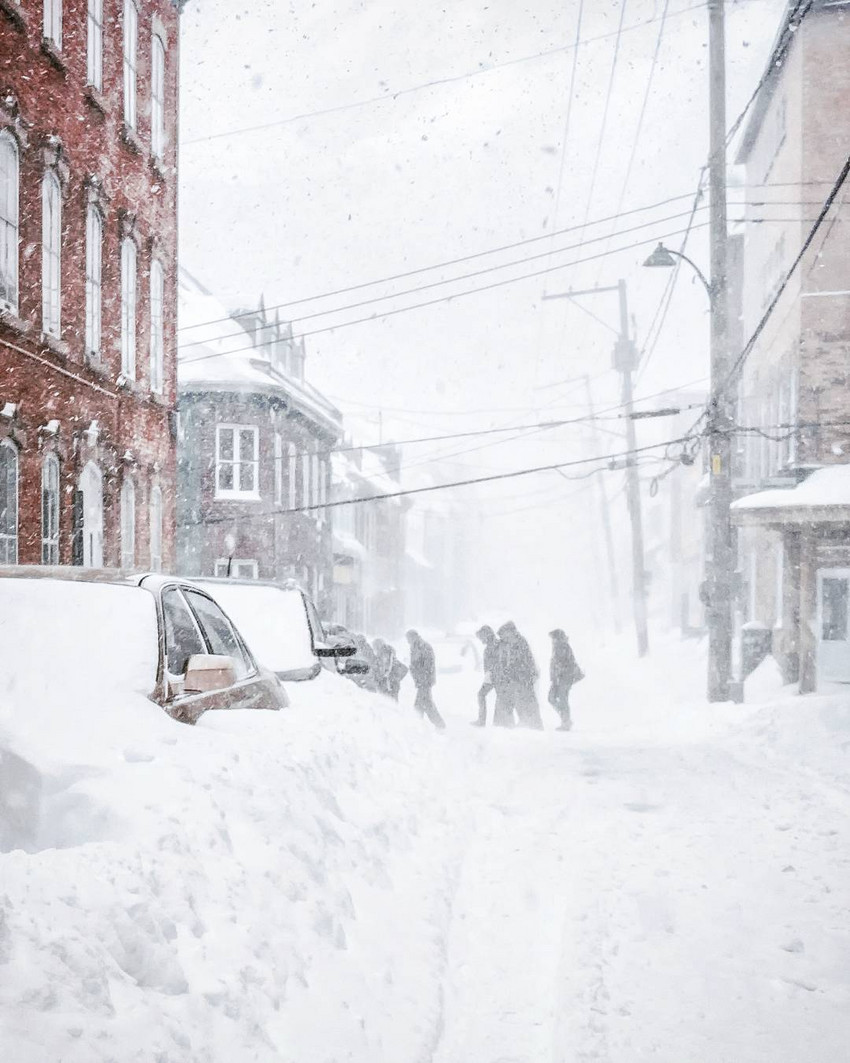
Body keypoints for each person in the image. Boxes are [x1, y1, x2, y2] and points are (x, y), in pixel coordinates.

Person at [495, 621, 543, 730]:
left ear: (511, 632)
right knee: (520, 702)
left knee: (527, 702)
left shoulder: (519, 643)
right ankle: (525, 724)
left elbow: (522, 662)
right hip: (518, 679)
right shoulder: (511, 643)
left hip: (524, 678)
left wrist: (511, 672)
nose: (503, 638)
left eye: (504, 635)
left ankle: (533, 725)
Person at [405, 630, 446, 730]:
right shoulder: (414, 646)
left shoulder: (424, 647)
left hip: (425, 680)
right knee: (423, 703)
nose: (407, 641)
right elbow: (414, 664)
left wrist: (422, 677)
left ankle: (439, 725)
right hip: (420, 680)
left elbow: (428, 665)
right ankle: (422, 724)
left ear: (414, 637)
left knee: (424, 704)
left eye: (408, 638)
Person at [548, 629, 583, 731]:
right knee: (552, 698)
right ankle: (565, 719)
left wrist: (559, 674)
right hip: (558, 678)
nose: (552, 640)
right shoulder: (558, 646)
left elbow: (564, 664)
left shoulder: (562, 646)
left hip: (564, 678)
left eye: (553, 638)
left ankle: (566, 721)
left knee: (561, 699)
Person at [471, 625, 499, 727]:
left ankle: (484, 721)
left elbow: (498, 662)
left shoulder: (495, 645)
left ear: (486, 635)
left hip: (495, 677)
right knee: (482, 695)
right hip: (492, 676)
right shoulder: (491, 645)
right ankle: (483, 721)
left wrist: (491, 673)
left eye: (481, 637)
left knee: (482, 695)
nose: (481, 640)